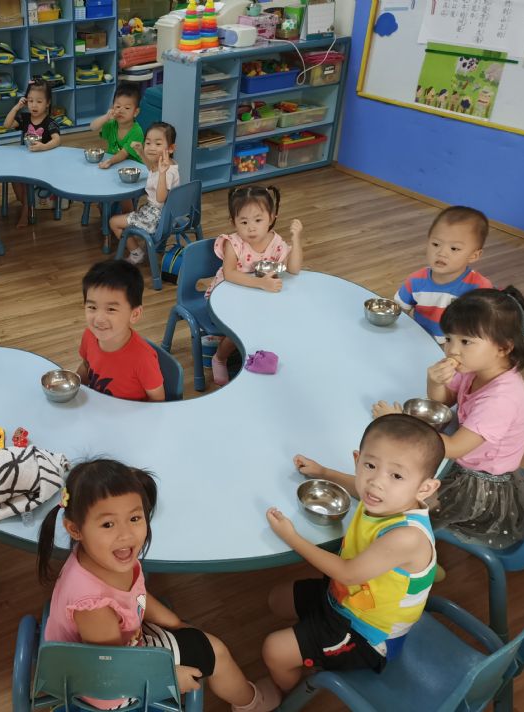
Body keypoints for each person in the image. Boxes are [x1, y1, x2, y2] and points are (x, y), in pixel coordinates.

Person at [37, 459, 281, 712]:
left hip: (117, 652)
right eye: (108, 524)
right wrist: (169, 678)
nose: (126, 535)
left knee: (200, 642)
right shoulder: (94, 607)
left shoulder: (107, 556)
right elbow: (110, 671)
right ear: (75, 529)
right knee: (216, 653)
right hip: (108, 689)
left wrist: (174, 622)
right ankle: (252, 705)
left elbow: (136, 593)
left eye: (134, 518)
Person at [263, 414, 445, 694]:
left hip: (368, 635)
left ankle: (283, 695)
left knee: (274, 650)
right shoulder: (385, 498)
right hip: (343, 599)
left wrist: (291, 537)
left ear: (425, 488)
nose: (376, 483)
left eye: (396, 475)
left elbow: (347, 573)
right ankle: (312, 646)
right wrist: (324, 472)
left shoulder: (407, 537)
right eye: (370, 466)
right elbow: (358, 486)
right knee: (277, 599)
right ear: (357, 460)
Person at [373, 288, 524, 549]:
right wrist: (435, 381)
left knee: (400, 500)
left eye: (465, 342)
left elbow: (454, 448)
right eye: (449, 339)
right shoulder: (477, 367)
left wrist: (400, 422)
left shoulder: (501, 400)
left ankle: (409, 553)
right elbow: (443, 400)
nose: (452, 350)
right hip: (462, 463)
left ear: (503, 347)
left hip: (479, 488)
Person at [206, 185, 304, 386]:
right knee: (241, 326)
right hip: (225, 295)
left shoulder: (276, 242)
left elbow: (294, 269)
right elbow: (229, 274)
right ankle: (219, 358)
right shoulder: (233, 243)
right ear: (233, 222)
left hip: (257, 296)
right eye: (244, 222)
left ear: (272, 218)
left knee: (278, 318)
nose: (251, 228)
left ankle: (251, 350)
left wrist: (296, 240)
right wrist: (260, 283)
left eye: (258, 220)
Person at [393, 205, 492, 345]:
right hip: (418, 342)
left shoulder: (480, 288)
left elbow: (485, 328)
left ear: (474, 255)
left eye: (454, 248)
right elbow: (398, 311)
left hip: (456, 350)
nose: (441, 253)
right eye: (435, 244)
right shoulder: (415, 280)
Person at [76, 260, 164, 402]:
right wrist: (74, 389)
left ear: (134, 314)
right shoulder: (89, 335)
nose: (99, 319)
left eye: (111, 309)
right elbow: (86, 366)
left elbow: (158, 401)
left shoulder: (143, 358)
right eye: (92, 307)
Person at [108, 122, 180, 266]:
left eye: (158, 144)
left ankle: (136, 253)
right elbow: (152, 168)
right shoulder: (167, 164)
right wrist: (141, 152)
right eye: (148, 143)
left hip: (156, 217)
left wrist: (162, 173)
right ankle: (139, 241)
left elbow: (160, 198)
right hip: (166, 214)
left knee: (114, 222)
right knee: (127, 207)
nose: (151, 147)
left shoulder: (166, 172)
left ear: (171, 148)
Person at [1, 79, 61, 228]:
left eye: (39, 101)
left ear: (47, 103)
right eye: (30, 101)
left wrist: (44, 147)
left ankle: (26, 209)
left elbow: (57, 140)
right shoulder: (25, 118)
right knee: (14, 178)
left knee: (27, 182)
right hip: (26, 161)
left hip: (44, 163)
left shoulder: (49, 122)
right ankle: (27, 203)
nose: (34, 105)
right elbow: (6, 125)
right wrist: (16, 108)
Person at [91, 82, 143, 170]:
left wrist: (110, 162)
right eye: (118, 106)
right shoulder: (112, 124)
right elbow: (93, 127)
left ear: (136, 112)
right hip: (115, 165)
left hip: (133, 168)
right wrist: (106, 117)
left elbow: (124, 153)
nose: (121, 111)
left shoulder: (137, 132)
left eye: (127, 108)